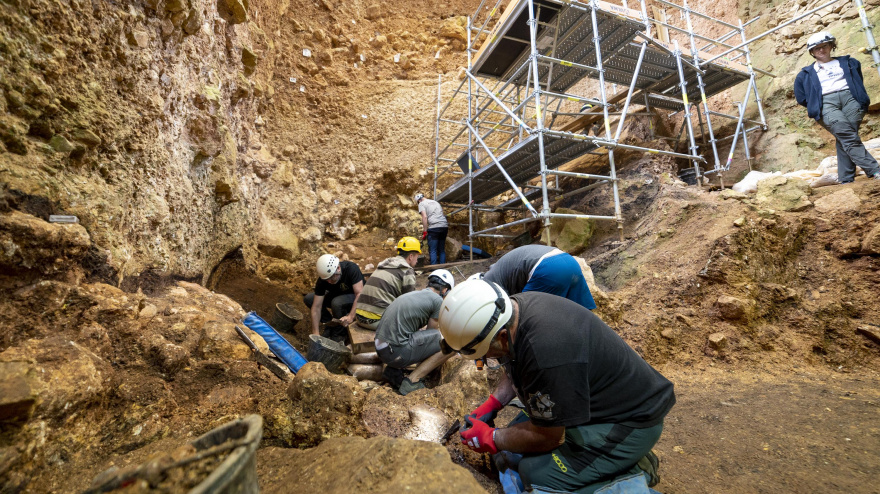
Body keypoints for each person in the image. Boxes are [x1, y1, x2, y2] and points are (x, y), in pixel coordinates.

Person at [438, 280, 675, 492]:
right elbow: (513, 364)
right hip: (592, 403)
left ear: (501, 336)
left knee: (536, 474)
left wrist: (492, 437)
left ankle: (635, 470)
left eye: (486, 354)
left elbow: (548, 437)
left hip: (631, 420)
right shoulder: (511, 312)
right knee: (516, 439)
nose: (489, 359)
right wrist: (494, 403)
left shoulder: (547, 352)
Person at [794, 31, 879, 184]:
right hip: (826, 103)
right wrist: (817, 104)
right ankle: (874, 170)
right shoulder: (804, 74)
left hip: (851, 99)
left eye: (824, 46)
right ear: (812, 52)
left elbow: (857, 81)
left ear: (831, 46)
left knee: (845, 137)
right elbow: (801, 97)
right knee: (846, 135)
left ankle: (845, 178)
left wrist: (860, 99)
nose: (821, 50)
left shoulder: (851, 63)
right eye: (817, 48)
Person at [375, 269, 456, 395]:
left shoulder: (414, 294)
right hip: (395, 353)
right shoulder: (437, 301)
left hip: (382, 350)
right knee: (450, 343)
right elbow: (433, 335)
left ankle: (393, 371)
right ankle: (412, 381)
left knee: (418, 334)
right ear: (445, 290)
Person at [481, 244, 597, 310]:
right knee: (583, 313)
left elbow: (504, 312)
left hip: (548, 268)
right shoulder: (499, 269)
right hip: (570, 262)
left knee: (524, 314)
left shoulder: (488, 285)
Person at [355, 237, 421, 330]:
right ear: (411, 256)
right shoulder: (406, 270)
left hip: (359, 318)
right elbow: (409, 303)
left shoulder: (385, 265)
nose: (417, 260)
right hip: (376, 321)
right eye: (417, 257)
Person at [304, 254, 365, 339]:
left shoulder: (351, 269)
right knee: (309, 299)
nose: (329, 281)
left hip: (356, 298)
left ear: (338, 268)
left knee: (336, 302)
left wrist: (351, 316)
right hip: (338, 295)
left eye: (331, 278)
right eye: (326, 279)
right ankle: (330, 324)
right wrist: (315, 333)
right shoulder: (324, 279)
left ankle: (340, 334)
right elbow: (316, 307)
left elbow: (360, 294)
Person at [414, 192, 449, 265]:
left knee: (433, 250)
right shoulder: (436, 202)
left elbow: (424, 217)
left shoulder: (421, 204)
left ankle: (434, 269)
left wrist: (425, 231)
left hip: (434, 228)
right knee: (441, 249)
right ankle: (442, 268)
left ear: (419, 200)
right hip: (444, 226)